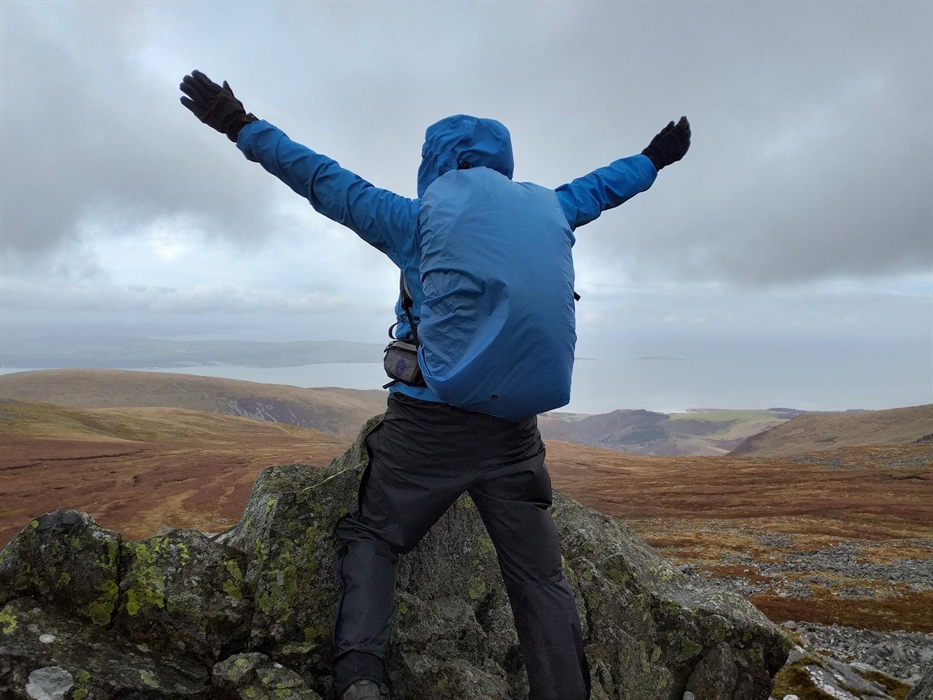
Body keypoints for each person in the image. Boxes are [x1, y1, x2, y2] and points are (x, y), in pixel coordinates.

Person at [180, 70, 690, 700]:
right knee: (538, 577)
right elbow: (605, 187)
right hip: (513, 433)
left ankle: (360, 678)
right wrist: (654, 159)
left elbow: (318, 176)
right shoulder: (554, 207)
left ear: (435, 164)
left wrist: (237, 122)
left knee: (375, 536)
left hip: (429, 425)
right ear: (503, 165)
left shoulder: (413, 221)